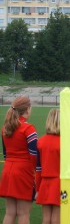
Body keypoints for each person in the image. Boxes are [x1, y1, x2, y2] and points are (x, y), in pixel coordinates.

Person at [0, 96, 38, 224]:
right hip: (23, 173)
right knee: (23, 213)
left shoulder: (5, 128)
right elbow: (34, 156)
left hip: (8, 172)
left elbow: (5, 154)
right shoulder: (29, 129)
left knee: (10, 213)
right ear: (27, 109)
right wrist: (35, 173)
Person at [35, 109, 60, 224]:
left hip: (45, 183)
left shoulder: (40, 141)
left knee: (46, 218)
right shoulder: (64, 142)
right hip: (60, 184)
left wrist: (38, 188)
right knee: (57, 217)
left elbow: (38, 168)